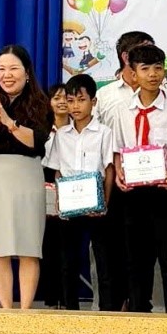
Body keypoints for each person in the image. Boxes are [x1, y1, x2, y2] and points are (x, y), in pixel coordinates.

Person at [105, 43, 167, 314]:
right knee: (135, 257)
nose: (153, 74)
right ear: (133, 73)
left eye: (158, 68)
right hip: (131, 193)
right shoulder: (121, 110)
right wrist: (119, 171)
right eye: (145, 68)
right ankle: (139, 311)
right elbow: (116, 149)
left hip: (162, 190)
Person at [0, 45, 53, 309]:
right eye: (1, 69)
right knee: (0, 246)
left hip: (27, 175)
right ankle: (7, 309)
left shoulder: (41, 103)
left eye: (13, 68)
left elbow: (37, 141)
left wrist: (10, 122)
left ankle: (25, 310)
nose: (7, 75)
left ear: (27, 72)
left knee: (29, 246)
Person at [45, 74, 119, 310]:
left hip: (97, 206)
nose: (75, 106)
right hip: (70, 206)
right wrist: (60, 200)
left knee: (103, 259)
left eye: (81, 100)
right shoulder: (61, 135)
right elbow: (57, 170)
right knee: (68, 260)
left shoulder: (104, 132)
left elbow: (109, 169)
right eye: (71, 100)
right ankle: (71, 309)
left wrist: (105, 201)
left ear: (93, 102)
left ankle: (107, 309)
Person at [38, 83, 70, 308]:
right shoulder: (41, 132)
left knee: (67, 247)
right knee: (48, 246)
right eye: (57, 98)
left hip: (71, 188)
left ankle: (67, 299)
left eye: (66, 98)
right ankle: (51, 299)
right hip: (45, 188)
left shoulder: (77, 131)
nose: (62, 102)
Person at [96, 31, 155, 117]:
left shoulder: (162, 93)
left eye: (153, 52)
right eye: (145, 52)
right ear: (126, 57)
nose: (152, 57)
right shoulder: (103, 96)